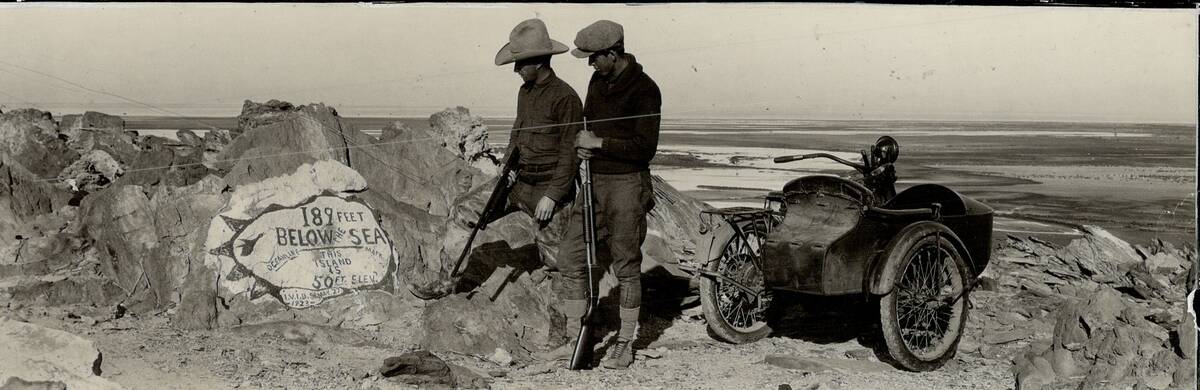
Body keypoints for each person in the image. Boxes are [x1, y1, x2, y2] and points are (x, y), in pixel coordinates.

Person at [556, 19, 663, 369]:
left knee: (626, 266)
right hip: (594, 183)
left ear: (613, 54)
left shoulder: (646, 90)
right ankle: (576, 337)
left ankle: (624, 342)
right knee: (571, 257)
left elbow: (644, 148)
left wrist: (598, 143)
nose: (589, 64)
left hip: (627, 184)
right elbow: (588, 127)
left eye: (593, 58)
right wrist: (583, 146)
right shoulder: (597, 82)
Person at [490, 19, 582, 284]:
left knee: (558, 265)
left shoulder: (566, 98)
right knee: (465, 212)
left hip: (548, 191)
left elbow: (570, 154)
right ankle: (448, 281)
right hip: (518, 183)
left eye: (520, 63)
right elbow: (517, 133)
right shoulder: (524, 91)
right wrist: (506, 165)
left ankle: (559, 321)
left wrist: (552, 197)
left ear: (540, 61)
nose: (516, 69)